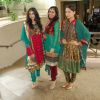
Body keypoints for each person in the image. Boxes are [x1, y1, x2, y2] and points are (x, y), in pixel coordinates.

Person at [58, 5, 90, 89]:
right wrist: (62, 40)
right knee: (64, 66)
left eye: (69, 12)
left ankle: (71, 83)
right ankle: (67, 81)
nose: (67, 14)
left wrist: (79, 42)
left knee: (72, 67)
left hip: (74, 50)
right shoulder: (64, 22)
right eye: (66, 12)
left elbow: (87, 34)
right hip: (65, 48)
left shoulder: (78, 23)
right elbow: (61, 33)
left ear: (74, 12)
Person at [21, 7, 44, 89]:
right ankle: (34, 82)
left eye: (33, 13)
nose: (31, 15)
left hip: (39, 47)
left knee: (38, 63)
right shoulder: (26, 25)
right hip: (31, 47)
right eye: (30, 14)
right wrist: (30, 51)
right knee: (31, 65)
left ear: (36, 14)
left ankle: (38, 76)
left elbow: (40, 34)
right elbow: (24, 38)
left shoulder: (38, 23)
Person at [43, 6, 60, 89]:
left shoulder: (56, 22)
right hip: (47, 45)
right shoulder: (49, 22)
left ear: (56, 13)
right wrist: (44, 36)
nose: (50, 13)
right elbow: (46, 33)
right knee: (50, 64)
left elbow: (56, 36)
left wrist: (53, 47)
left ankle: (54, 81)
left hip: (53, 46)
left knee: (53, 65)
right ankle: (54, 77)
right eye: (49, 11)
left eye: (53, 12)